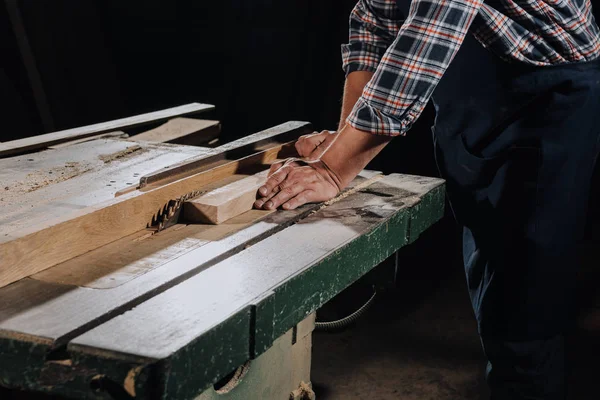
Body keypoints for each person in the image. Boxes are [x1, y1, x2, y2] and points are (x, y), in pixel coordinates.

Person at [254, 0, 600, 398]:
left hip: (545, 92)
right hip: (478, 83)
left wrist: (334, 169)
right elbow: (374, 18)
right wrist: (344, 137)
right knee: (492, 272)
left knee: (524, 303)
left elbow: (428, 33)